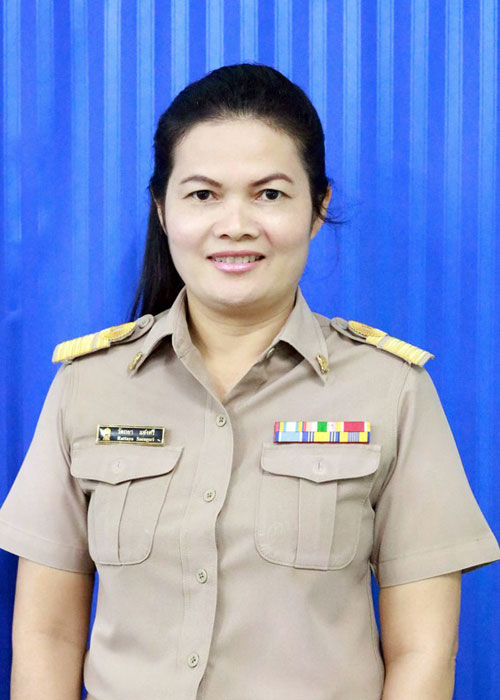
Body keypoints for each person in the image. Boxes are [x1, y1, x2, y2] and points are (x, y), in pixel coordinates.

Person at [0, 63, 499, 700]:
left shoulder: (391, 390)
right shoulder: (88, 386)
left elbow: (423, 650)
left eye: (269, 195)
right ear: (162, 209)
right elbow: (46, 635)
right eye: (203, 195)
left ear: (318, 208)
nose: (235, 224)